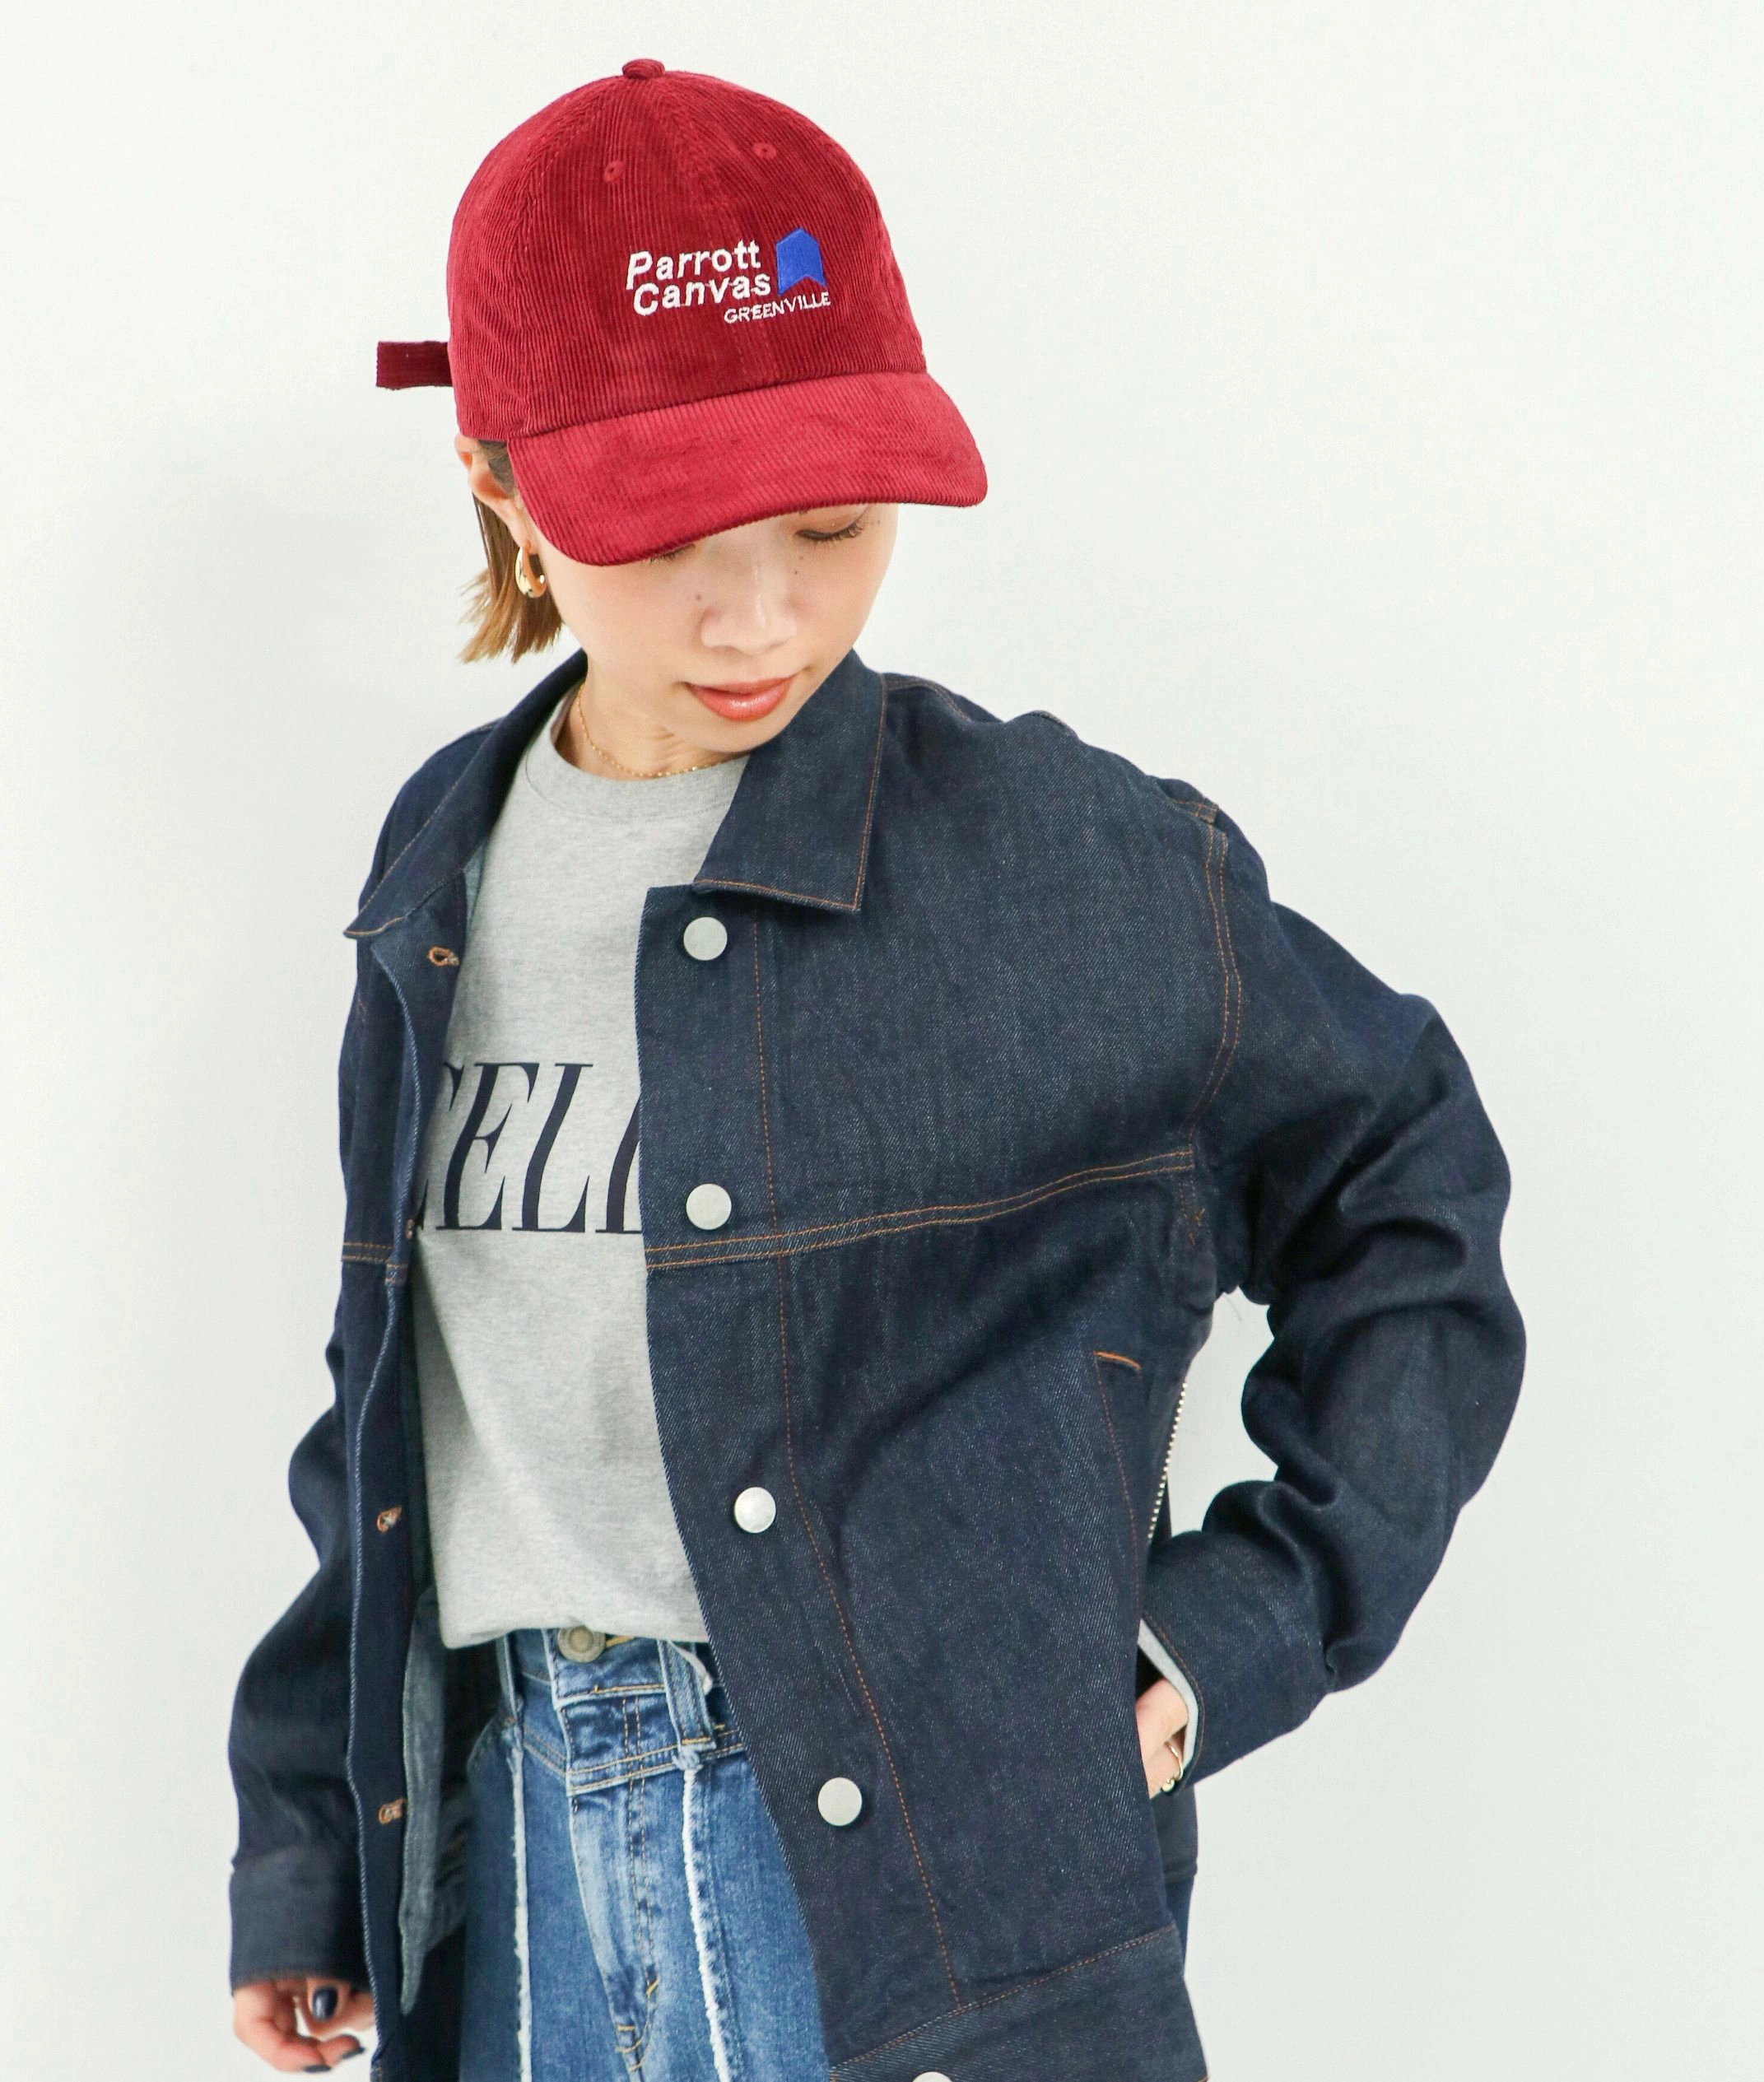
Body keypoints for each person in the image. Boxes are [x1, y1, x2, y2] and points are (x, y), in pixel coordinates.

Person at [226, 58, 1526, 2082]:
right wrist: (317, 1847)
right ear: (500, 477)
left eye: (833, 524)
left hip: (926, 1906)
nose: (763, 612)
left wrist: (1230, 1632)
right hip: (512, 1868)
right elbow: (402, 1399)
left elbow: (1408, 1188)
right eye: (672, 534)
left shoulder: (1068, 867)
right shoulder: (442, 865)